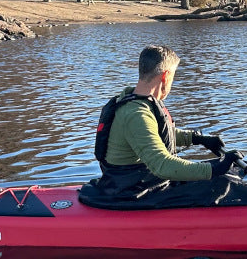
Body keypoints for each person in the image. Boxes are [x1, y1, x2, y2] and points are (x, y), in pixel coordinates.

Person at [88, 45, 239, 204]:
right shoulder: (136, 114)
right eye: (174, 76)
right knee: (224, 183)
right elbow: (162, 165)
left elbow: (152, 134)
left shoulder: (133, 100)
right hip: (133, 191)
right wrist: (215, 169)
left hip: (134, 183)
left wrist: (197, 139)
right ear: (166, 76)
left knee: (229, 173)